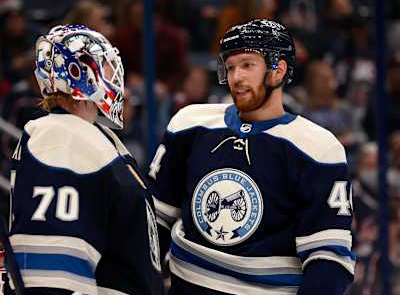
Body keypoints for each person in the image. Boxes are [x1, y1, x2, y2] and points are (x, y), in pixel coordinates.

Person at [149, 19, 355, 295]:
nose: (236, 77)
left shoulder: (318, 148)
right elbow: (154, 223)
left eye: (247, 65)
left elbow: (328, 259)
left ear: (278, 71)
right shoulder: (190, 124)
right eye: (230, 66)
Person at [9, 25, 163, 295]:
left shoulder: (88, 136)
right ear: (80, 74)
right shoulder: (60, 139)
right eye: (103, 67)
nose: (111, 75)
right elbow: (49, 275)